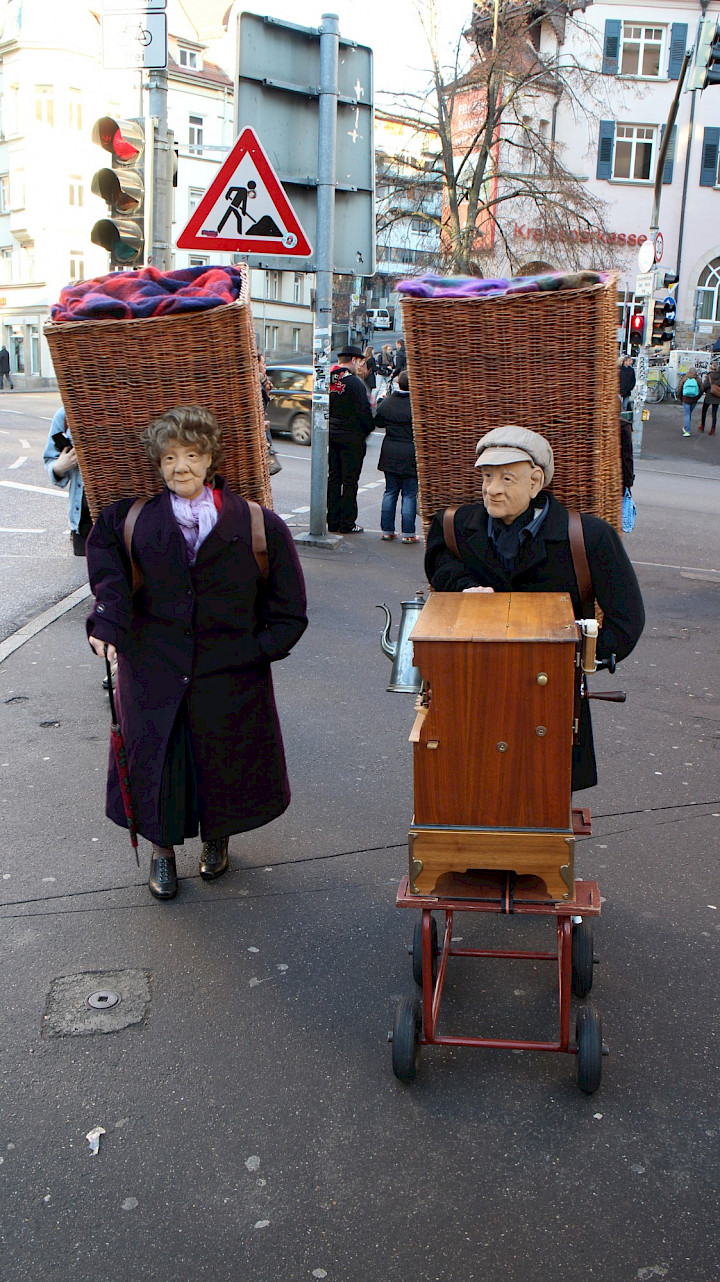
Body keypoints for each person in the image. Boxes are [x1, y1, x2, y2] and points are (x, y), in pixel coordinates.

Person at [86, 405, 308, 902]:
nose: (180, 466)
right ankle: (162, 854)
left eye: (190, 454)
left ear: (210, 458)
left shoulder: (257, 523)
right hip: (152, 669)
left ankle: (216, 840)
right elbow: (111, 582)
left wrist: (253, 653)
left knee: (221, 761)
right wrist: (106, 626)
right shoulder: (129, 520)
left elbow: (289, 611)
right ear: (157, 464)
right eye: (168, 457)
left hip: (229, 673)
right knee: (158, 762)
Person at [425, 425, 645, 791]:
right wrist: (466, 588)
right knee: (472, 782)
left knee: (544, 788)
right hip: (472, 684)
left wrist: (579, 656)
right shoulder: (454, 526)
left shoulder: (588, 536)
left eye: (507, 478)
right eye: (487, 476)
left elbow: (626, 618)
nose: (492, 489)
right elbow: (440, 564)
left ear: (535, 481)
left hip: (551, 694)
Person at [327, 344, 375, 534]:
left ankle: (332, 520)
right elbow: (365, 414)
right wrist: (366, 431)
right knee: (349, 482)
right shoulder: (355, 383)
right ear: (354, 360)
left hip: (332, 436)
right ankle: (347, 522)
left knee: (333, 479)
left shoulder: (326, 380)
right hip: (352, 439)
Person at [375, 371, 419, 543]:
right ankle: (408, 534)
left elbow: (378, 421)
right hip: (410, 452)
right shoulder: (416, 405)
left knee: (390, 491)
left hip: (390, 451)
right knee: (409, 494)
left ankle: (387, 530)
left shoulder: (388, 402)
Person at [43, 407, 92, 555]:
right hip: (84, 521)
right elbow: (50, 459)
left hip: (126, 515)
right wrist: (59, 467)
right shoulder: (65, 415)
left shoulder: (127, 404)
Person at [258, 353, 281, 475]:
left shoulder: (263, 383)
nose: (265, 366)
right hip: (259, 436)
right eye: (263, 363)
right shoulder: (256, 385)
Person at [677, 367, 701, 437]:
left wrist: (681, 398)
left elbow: (679, 389)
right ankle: (686, 427)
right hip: (694, 399)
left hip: (686, 399)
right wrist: (697, 397)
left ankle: (687, 430)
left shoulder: (684, 378)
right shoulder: (698, 380)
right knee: (689, 413)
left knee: (687, 414)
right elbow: (701, 389)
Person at [700, 363, 720, 435]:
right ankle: (712, 429)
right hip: (717, 397)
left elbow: (705, 386)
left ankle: (702, 426)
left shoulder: (709, 376)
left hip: (709, 396)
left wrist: (704, 391)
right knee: (714, 413)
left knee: (704, 411)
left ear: (711, 369)